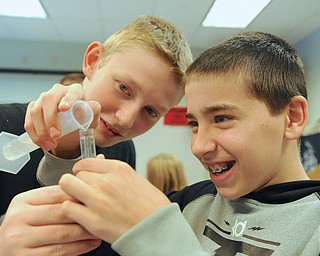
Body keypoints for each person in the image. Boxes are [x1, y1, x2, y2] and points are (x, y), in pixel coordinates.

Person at [36, 31, 319, 255]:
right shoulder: (187, 205)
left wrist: (158, 236)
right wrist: (67, 148)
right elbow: (70, 240)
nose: (198, 147)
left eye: (221, 118)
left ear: (292, 118)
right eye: (194, 124)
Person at [0, 15, 192, 255]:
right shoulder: (4, 122)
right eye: (124, 88)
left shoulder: (122, 151)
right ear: (93, 61)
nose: (126, 119)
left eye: (151, 111)